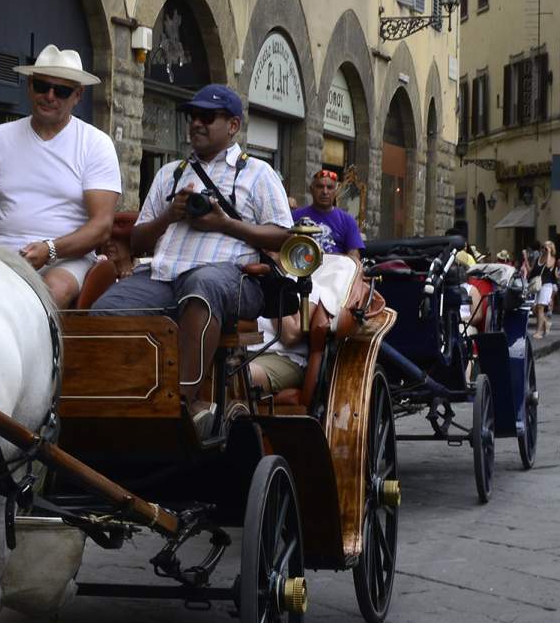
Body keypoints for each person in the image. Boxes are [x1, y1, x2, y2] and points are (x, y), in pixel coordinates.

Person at [92, 83, 295, 423]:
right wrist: (169, 215)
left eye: (207, 116)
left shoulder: (258, 173)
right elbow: (139, 243)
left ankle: (185, 401)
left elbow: (283, 237)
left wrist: (223, 223)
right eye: (192, 116)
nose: (196, 123)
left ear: (233, 125)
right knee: (106, 309)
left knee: (202, 286)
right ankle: (119, 398)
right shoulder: (170, 173)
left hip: (233, 278)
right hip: (166, 275)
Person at [0, 45, 120, 308]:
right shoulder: (0, 137)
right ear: (30, 86)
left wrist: (51, 249)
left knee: (52, 290)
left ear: (77, 95)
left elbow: (101, 226)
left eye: (62, 91)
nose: (50, 96)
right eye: (42, 86)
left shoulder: (95, 144)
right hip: (3, 253)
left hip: (67, 258)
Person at [291, 168, 364, 265]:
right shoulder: (295, 216)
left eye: (329, 187)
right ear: (312, 189)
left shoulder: (347, 220)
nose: (325, 192)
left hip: (334, 274)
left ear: (336, 191)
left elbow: (354, 255)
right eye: (320, 187)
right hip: (301, 270)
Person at [246, 302, 309, 397]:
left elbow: (290, 335)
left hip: (283, 356)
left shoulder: (314, 290)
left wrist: (273, 291)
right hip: (239, 350)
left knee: (237, 376)